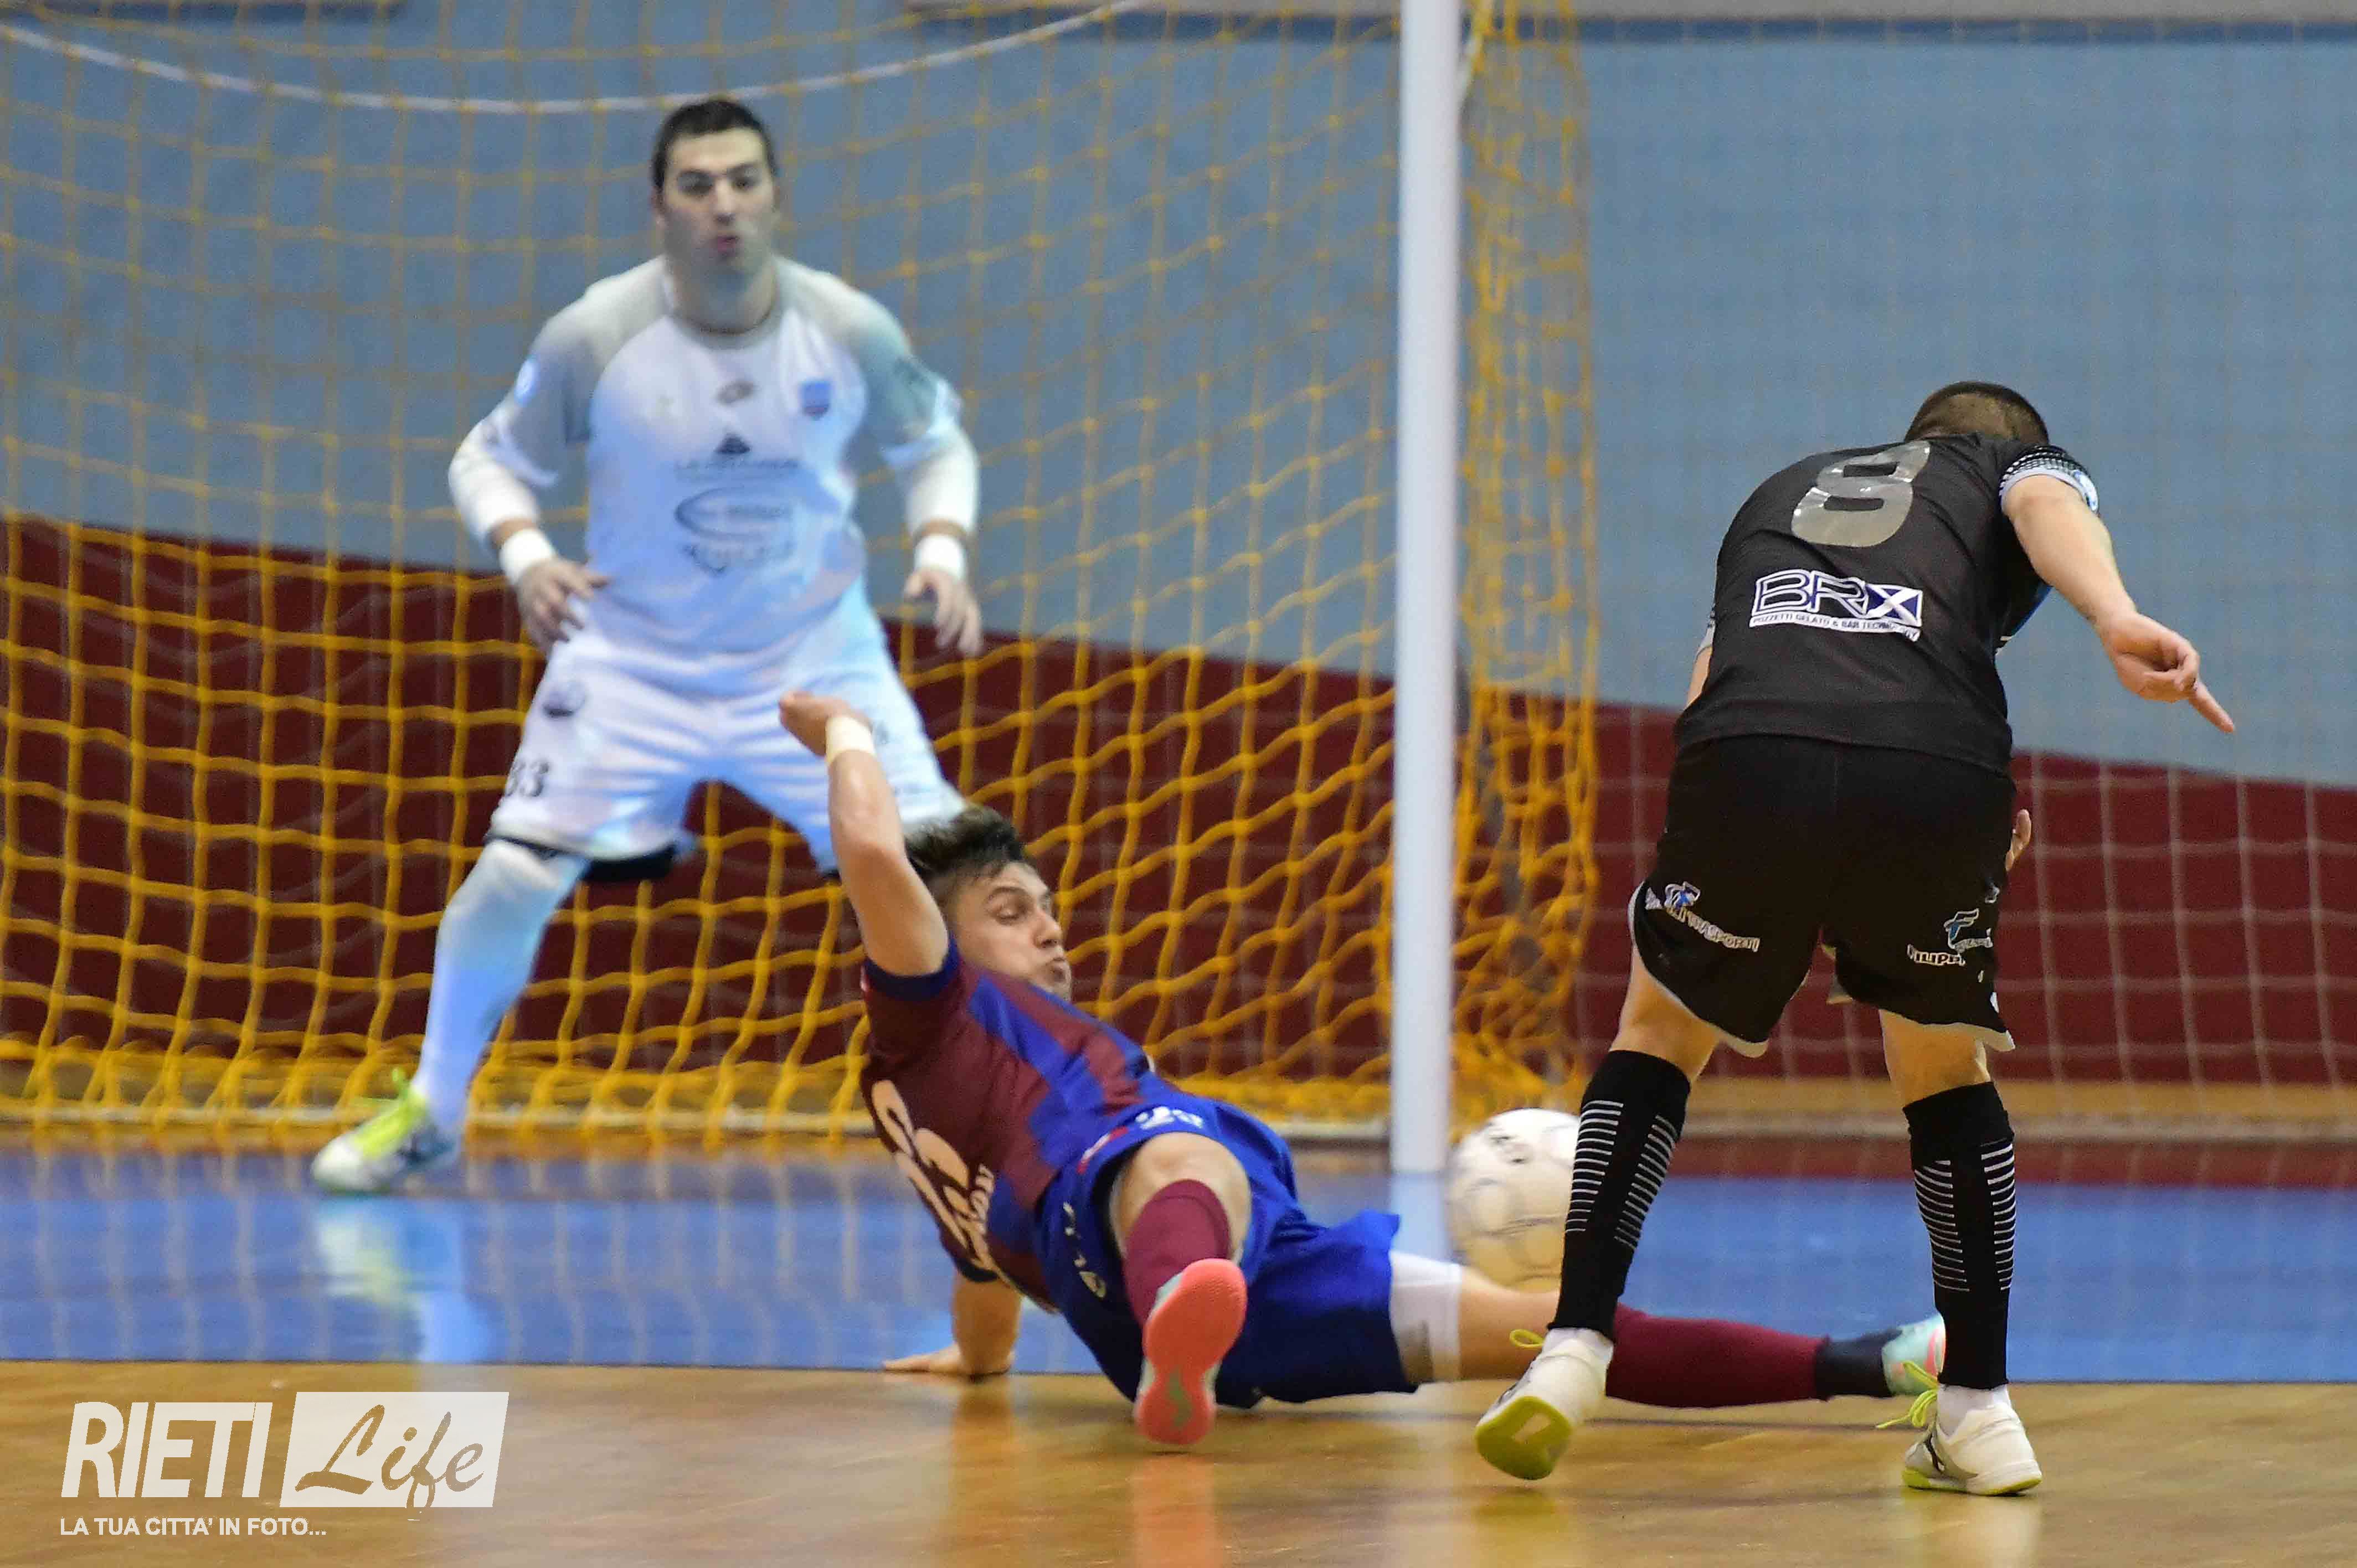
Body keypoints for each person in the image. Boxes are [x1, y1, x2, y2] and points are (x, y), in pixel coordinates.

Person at [779, 692, 1949, 1447]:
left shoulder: (924, 1108)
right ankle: (1186, 1297)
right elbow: (873, 848)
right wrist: (846, 731)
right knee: (1177, 1151)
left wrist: (977, 1365)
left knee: (1559, 1332)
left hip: (1213, 1293)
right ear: (927, 939)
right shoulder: (937, 1014)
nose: (1049, 931)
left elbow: (984, 1271)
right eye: (1008, 910)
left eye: (1046, 908)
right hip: (1143, 1217)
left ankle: (1865, 1365)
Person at [1474, 383, 2234, 1495]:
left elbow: (1711, 681)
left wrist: (1751, 846)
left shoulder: (1781, 493)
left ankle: (1573, 1347)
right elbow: (2045, 508)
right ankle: (1978, 1411)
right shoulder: (2008, 464)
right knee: (1942, 1067)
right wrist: (2114, 616)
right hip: (1933, 762)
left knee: (1657, 1032)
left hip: (1744, 749)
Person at [314, 96, 982, 1194]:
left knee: (958, 872)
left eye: (744, 181)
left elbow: (935, 444)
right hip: (631, 664)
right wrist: (527, 554)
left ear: (776, 196)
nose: (724, 205)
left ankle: (1019, 1128)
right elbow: (489, 460)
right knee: (507, 882)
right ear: (659, 207)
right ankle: (432, 1112)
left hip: (815, 663)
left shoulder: (848, 327)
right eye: (697, 185)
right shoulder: (594, 334)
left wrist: (943, 549)